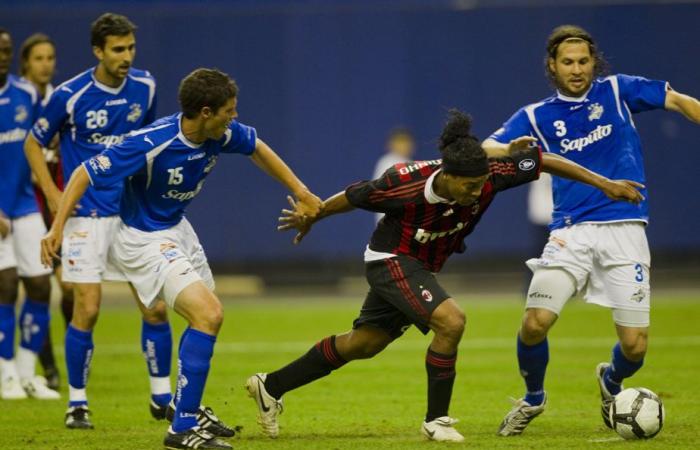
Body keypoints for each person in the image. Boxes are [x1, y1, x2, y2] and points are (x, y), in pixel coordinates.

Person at [246, 109, 644, 442]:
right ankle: (436, 421)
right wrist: (313, 214)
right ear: (448, 175)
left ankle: (271, 385)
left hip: (422, 264)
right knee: (451, 320)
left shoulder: (492, 173)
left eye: (481, 184)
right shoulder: (403, 183)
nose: (476, 192)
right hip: (390, 258)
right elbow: (354, 197)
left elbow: (545, 161)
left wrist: (604, 184)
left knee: (364, 344)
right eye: (469, 186)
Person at [41, 67, 323, 450]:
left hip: (177, 229)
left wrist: (302, 191)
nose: (234, 118)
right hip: (143, 238)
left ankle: (184, 407)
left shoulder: (220, 134)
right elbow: (83, 174)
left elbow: (257, 147)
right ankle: (181, 429)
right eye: (229, 111)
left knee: (205, 318)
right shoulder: (151, 141)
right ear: (205, 112)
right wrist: (57, 227)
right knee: (208, 314)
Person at [481, 24, 700, 436]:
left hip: (626, 231)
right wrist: (509, 148)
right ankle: (532, 399)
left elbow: (677, 100)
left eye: (583, 61)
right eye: (568, 62)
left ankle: (611, 380)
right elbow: (484, 148)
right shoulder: (535, 116)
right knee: (534, 323)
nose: (577, 69)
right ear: (552, 65)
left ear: (594, 62)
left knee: (635, 348)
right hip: (571, 231)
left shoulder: (618, 91)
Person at [24, 13, 172, 429]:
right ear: (98, 51)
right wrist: (54, 196)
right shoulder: (69, 95)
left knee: (155, 307)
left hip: (130, 215)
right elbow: (33, 144)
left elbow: (147, 143)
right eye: (118, 50)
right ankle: (77, 403)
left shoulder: (145, 87)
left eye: (131, 48)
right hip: (85, 217)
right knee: (86, 308)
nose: (127, 57)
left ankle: (161, 398)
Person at [0, 27, 59, 401]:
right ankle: (4, 374)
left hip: (24, 204)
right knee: (5, 286)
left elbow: (39, 144)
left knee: (40, 286)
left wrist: (51, 193)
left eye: (6, 49)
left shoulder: (26, 95)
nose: (3, 55)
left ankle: (25, 374)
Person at [19, 31, 67, 391]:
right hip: (25, 203)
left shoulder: (60, 100)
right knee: (37, 287)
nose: (46, 64)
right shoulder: (16, 100)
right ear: (26, 64)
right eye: (39, 58)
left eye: (50, 57)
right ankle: (45, 366)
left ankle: (71, 343)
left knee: (68, 288)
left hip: (56, 203)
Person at [372, 128, 416, 223]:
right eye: (400, 141)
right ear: (391, 144)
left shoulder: (412, 163)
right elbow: (380, 191)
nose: (404, 145)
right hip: (390, 215)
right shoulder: (386, 162)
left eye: (406, 142)